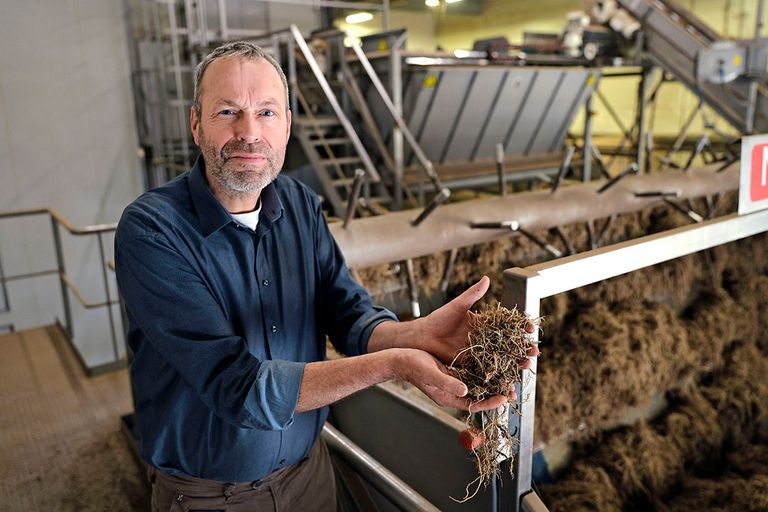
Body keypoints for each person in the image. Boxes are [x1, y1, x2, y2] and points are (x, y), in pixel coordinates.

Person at [115, 41, 537, 511]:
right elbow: (237, 387)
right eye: (228, 111)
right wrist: (397, 363)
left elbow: (348, 312)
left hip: (309, 476)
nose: (249, 132)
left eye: (267, 112)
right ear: (196, 124)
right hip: (210, 496)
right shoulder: (152, 230)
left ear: (289, 125)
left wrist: (412, 334)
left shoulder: (298, 204)